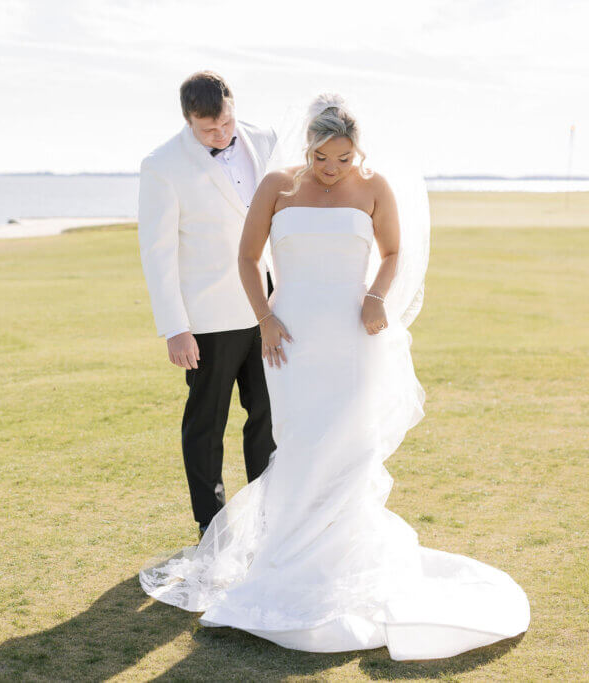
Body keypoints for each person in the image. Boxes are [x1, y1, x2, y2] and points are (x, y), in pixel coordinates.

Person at [139, 94, 530, 661]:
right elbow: (247, 260)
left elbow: (394, 252)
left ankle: (342, 559)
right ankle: (287, 558)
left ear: (357, 151)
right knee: (298, 444)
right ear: (308, 147)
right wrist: (266, 320)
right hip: (291, 339)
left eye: (343, 159)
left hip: (352, 340)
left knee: (348, 446)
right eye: (323, 157)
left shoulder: (375, 188)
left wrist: (376, 298)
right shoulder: (277, 185)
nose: (331, 169)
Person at [137, 71, 278, 541]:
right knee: (206, 426)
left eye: (226, 125)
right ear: (188, 121)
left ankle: (267, 514)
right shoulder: (161, 165)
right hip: (208, 321)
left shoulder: (265, 138)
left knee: (268, 416)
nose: (222, 135)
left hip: (269, 308)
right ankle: (211, 527)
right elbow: (158, 253)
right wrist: (175, 328)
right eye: (209, 131)